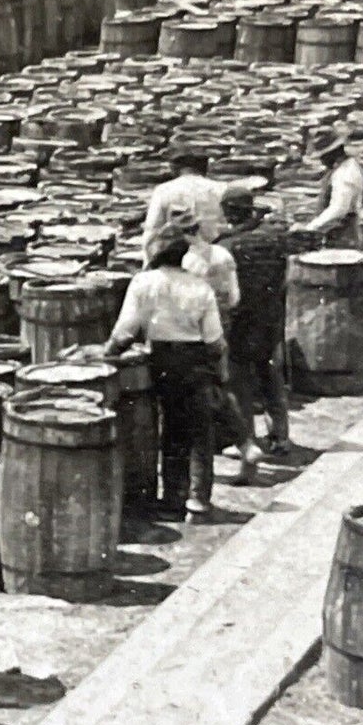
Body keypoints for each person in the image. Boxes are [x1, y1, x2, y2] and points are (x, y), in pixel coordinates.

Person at [108, 217, 225, 520]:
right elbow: (215, 341)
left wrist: (107, 355)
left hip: (162, 360)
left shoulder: (144, 283)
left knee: (172, 430)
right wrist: (217, 368)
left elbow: (125, 331)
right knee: (200, 431)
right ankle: (198, 500)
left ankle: (174, 497)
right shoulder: (201, 288)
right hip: (195, 360)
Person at [177, 204, 260, 482]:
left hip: (194, 332)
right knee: (222, 385)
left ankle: (233, 449)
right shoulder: (222, 254)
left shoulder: (186, 262)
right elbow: (234, 297)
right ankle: (245, 444)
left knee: (199, 395)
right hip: (222, 324)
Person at [219, 187, 291, 458]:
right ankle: (280, 436)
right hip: (270, 317)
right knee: (271, 376)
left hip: (241, 320)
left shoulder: (227, 245)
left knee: (239, 381)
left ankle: (245, 439)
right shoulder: (275, 239)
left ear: (228, 212)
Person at [142, 147, 226, 259]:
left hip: (178, 258)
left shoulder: (164, 190)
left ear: (174, 168)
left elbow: (152, 231)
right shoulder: (221, 188)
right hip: (215, 256)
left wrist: (148, 264)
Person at [303, 129, 363, 249]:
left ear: (333, 153)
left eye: (323, 156)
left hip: (345, 236)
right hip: (338, 232)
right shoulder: (344, 167)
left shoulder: (345, 173)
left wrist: (310, 228)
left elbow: (339, 209)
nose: (322, 161)